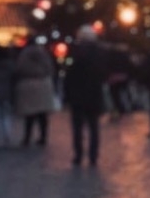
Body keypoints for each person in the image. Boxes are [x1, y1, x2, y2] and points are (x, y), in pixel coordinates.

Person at [64, 25, 107, 167]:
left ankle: (78, 155)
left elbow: (69, 75)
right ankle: (93, 156)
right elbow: (103, 73)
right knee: (94, 127)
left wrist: (67, 95)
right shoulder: (100, 53)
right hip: (94, 94)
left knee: (78, 128)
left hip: (77, 95)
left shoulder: (75, 52)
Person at [13, 39, 57, 146]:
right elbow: (50, 68)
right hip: (43, 84)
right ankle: (43, 137)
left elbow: (19, 69)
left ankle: (27, 137)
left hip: (28, 84)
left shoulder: (24, 55)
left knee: (29, 115)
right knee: (42, 115)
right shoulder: (44, 54)